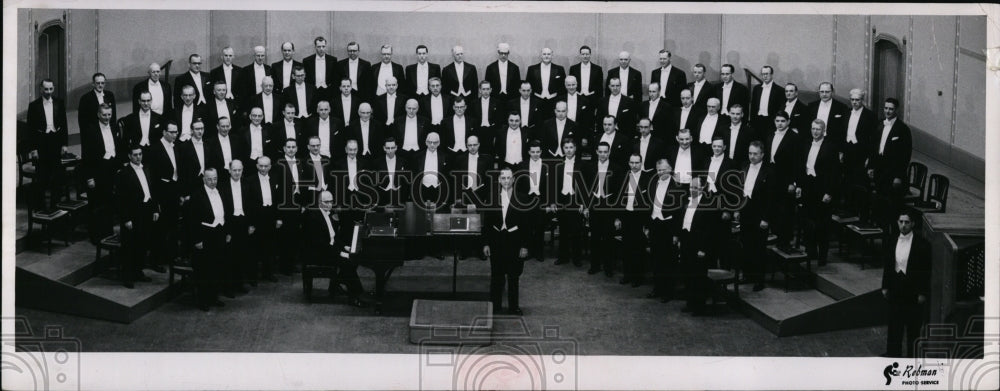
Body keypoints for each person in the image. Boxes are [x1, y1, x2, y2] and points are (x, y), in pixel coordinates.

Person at [303, 190, 366, 307]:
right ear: (319, 202)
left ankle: (337, 284)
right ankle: (354, 296)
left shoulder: (327, 213)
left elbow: (334, 237)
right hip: (318, 253)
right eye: (326, 202)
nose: (329, 205)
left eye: (331, 202)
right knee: (348, 262)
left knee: (354, 258)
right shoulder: (313, 217)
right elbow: (320, 244)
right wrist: (340, 253)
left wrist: (344, 247)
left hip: (328, 249)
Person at [881, 209, 931, 358]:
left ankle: (911, 358)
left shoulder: (922, 244)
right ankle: (893, 354)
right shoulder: (891, 239)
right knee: (894, 325)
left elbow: (925, 271)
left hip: (912, 290)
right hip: (895, 286)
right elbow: (888, 265)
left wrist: (922, 293)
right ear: (897, 223)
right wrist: (885, 286)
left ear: (913, 224)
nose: (903, 225)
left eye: (907, 222)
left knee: (912, 327)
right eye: (901, 222)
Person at [482, 167, 530, 316]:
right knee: (496, 275)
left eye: (509, 178)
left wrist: (524, 246)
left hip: (515, 241)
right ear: (499, 180)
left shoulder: (522, 198)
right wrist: (486, 243)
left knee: (513, 276)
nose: (506, 181)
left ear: (514, 180)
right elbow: (487, 224)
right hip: (497, 240)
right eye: (503, 178)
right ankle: (495, 306)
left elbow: (527, 226)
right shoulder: (491, 197)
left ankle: (513, 307)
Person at [115, 144, 160, 288]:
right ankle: (127, 276)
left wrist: (155, 210)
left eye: (140, 154)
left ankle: (138, 271)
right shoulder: (123, 173)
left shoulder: (147, 168)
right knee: (130, 245)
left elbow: (152, 191)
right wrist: (126, 219)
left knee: (142, 243)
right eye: (135, 155)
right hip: (132, 214)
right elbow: (121, 199)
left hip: (146, 210)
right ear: (129, 156)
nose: (138, 157)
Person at [187, 168, 231, 311]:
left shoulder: (222, 191)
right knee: (204, 269)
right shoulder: (197, 195)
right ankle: (203, 300)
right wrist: (197, 240)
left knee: (218, 266)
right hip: (205, 235)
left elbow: (227, 213)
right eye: (210, 179)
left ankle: (213, 297)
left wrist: (227, 232)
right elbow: (192, 221)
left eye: (215, 178)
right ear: (204, 179)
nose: (213, 182)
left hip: (219, 233)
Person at [796, 120, 839, 265]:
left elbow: (835, 173)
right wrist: (800, 185)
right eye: (813, 129)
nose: (815, 132)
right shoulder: (806, 143)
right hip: (808, 186)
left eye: (818, 129)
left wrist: (829, 192)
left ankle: (822, 256)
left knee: (822, 224)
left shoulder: (830, 147)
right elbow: (802, 166)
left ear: (824, 131)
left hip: (822, 189)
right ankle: (811, 251)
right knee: (807, 222)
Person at [676, 177, 720, 316]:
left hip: (699, 244)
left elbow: (710, 230)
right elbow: (682, 221)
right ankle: (690, 303)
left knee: (698, 276)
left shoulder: (708, 204)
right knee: (687, 273)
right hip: (686, 242)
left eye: (695, 188)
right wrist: (679, 239)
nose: (692, 190)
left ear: (702, 188)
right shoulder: (686, 201)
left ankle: (699, 307)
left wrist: (703, 249)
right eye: (691, 187)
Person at [736, 141, 777, 292]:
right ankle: (747, 274)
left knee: (759, 247)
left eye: (755, 154)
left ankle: (759, 280)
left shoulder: (769, 171)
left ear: (762, 155)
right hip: (746, 211)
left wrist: (766, 218)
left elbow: (772, 198)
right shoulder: (744, 166)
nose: (752, 156)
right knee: (746, 244)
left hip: (760, 214)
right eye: (750, 153)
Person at [80, 104, 122, 241]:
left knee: (109, 202)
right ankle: (96, 236)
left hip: (111, 169)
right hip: (97, 170)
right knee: (97, 203)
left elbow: (118, 148)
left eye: (109, 115)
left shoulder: (115, 127)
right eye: (104, 115)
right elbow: (86, 156)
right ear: (98, 114)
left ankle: (108, 233)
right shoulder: (91, 130)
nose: (107, 118)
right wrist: (89, 177)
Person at [26, 79, 69, 213]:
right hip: (41, 143)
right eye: (46, 89)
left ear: (53, 89)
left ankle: (55, 206)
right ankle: (40, 208)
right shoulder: (34, 106)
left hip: (55, 141)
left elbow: (64, 124)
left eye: (51, 89)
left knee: (56, 176)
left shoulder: (59, 103)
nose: (48, 92)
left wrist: (64, 144)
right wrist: (33, 149)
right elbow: (30, 129)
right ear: (41, 89)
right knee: (42, 177)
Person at [867, 97, 912, 226]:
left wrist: (898, 176)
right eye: (886, 108)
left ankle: (891, 230)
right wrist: (871, 166)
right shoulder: (880, 124)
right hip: (880, 170)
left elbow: (905, 156)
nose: (887, 111)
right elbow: (873, 147)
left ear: (896, 110)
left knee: (892, 204)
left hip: (893, 172)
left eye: (891, 109)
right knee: (880, 200)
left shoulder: (903, 129)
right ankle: (880, 226)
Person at [646, 159, 683, 301]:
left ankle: (668, 291)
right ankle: (657, 288)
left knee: (669, 260)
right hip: (655, 224)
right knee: (655, 259)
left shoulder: (677, 186)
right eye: (659, 170)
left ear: (670, 169)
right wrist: (648, 226)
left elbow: (679, 212)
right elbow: (650, 205)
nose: (661, 172)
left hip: (668, 227)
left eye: (664, 169)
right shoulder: (653, 182)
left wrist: (676, 234)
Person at [147, 122, 182, 273]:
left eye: (176, 132)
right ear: (164, 132)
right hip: (161, 193)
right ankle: (156, 259)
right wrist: (155, 203)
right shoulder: (154, 149)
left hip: (173, 192)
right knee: (159, 228)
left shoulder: (177, 146)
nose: (175, 135)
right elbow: (152, 178)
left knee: (173, 225)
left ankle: (171, 256)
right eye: (172, 132)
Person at [765, 111, 802, 251]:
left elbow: (797, 162)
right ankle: (775, 242)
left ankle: (785, 244)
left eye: (782, 121)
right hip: (771, 177)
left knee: (785, 212)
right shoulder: (770, 134)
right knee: (773, 209)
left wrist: (794, 182)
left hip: (786, 179)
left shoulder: (794, 138)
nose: (779, 123)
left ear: (788, 122)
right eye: (777, 121)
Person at [587, 142, 623, 277]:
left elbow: (619, 192)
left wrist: (618, 215)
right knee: (595, 237)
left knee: (608, 238)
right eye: (600, 151)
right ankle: (594, 265)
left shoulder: (617, 168)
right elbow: (585, 188)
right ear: (596, 152)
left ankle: (608, 267)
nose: (603, 154)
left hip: (609, 207)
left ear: (609, 152)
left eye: (605, 152)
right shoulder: (590, 167)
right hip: (595, 207)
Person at [243, 156, 281, 283]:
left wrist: (278, 218)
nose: (263, 168)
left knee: (269, 246)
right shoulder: (249, 181)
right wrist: (250, 224)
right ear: (257, 166)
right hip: (256, 217)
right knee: (254, 247)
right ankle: (252, 276)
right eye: (261, 166)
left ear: (270, 166)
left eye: (266, 166)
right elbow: (247, 204)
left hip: (270, 216)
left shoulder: (275, 178)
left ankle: (268, 273)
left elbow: (279, 200)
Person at [551, 138, 588, 267]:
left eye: (571, 147)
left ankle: (577, 258)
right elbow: (553, 185)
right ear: (563, 149)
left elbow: (585, 186)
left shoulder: (582, 165)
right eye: (566, 147)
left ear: (576, 148)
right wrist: (553, 202)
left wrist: (583, 203)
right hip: (562, 199)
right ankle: (563, 256)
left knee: (576, 231)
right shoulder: (558, 165)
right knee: (563, 230)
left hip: (575, 200)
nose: (568, 150)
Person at [219, 159, 252, 296]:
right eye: (234, 170)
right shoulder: (222, 186)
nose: (237, 173)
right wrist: (226, 231)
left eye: (239, 170)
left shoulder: (247, 184)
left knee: (242, 254)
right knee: (229, 257)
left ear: (242, 170)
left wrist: (251, 224)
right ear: (229, 170)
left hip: (243, 222)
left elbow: (251, 205)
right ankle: (228, 287)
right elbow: (221, 209)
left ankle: (239, 283)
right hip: (230, 223)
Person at [617, 153, 650, 286]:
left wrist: (646, 224)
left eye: (637, 162)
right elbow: (618, 199)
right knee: (626, 247)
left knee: (638, 248)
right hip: (626, 215)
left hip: (640, 218)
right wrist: (618, 217)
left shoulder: (647, 178)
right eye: (632, 162)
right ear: (629, 163)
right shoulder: (623, 176)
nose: (634, 165)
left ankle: (638, 277)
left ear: (641, 163)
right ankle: (627, 275)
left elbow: (650, 201)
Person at [526, 47, 566, 115]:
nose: (546, 56)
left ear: (552, 55)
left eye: (548, 54)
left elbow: (563, 87)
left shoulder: (559, 69)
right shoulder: (532, 69)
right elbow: (528, 86)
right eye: (544, 54)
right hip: (537, 100)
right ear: (541, 55)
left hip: (553, 101)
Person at [749, 65, 783, 133]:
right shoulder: (757, 88)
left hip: (771, 123)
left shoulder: (779, 90)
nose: (765, 76)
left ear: (771, 74)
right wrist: (752, 122)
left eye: (767, 74)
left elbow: (780, 108)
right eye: (763, 74)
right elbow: (753, 107)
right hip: (757, 121)